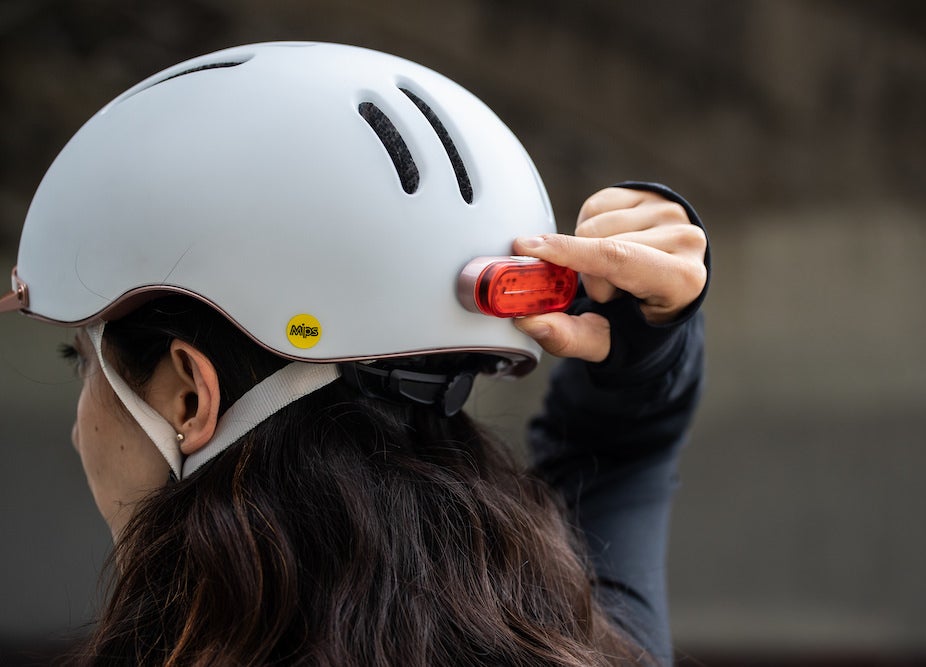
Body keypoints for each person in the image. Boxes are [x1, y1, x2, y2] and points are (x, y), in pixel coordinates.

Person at [1, 42, 709, 666]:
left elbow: (622, 458)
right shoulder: (587, 637)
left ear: (188, 395)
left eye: (83, 363)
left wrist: (644, 341)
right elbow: (621, 457)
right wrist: (648, 336)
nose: (77, 423)